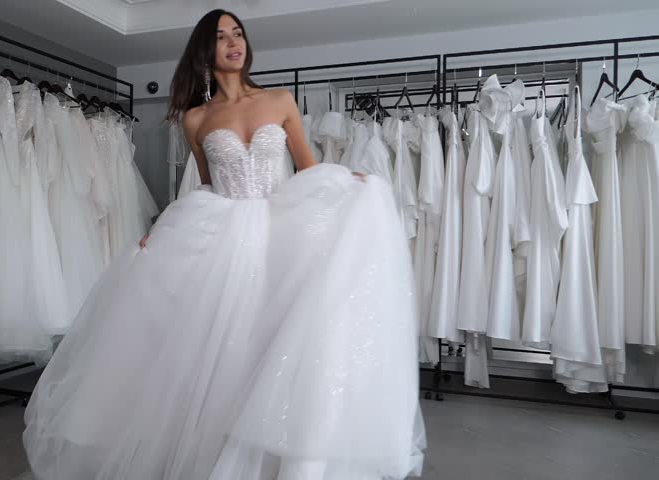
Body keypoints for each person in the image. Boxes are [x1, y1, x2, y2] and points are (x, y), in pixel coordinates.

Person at [23, 9, 425, 480]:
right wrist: (168, 230)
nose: (234, 42)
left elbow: (307, 170)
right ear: (204, 50)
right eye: (220, 36)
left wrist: (347, 184)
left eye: (238, 33)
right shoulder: (195, 118)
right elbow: (208, 185)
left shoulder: (280, 101)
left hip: (279, 231)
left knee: (273, 341)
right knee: (219, 351)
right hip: (223, 238)